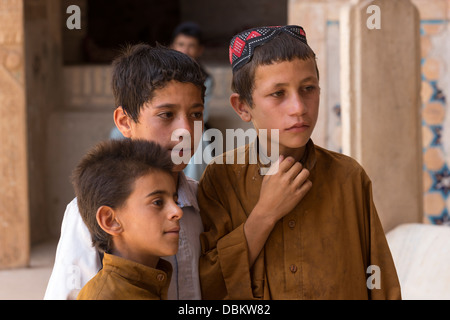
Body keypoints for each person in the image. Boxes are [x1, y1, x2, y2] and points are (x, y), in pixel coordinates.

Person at [198, 25, 401, 300]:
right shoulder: (220, 179)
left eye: (308, 89)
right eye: (278, 94)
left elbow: (381, 285)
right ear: (243, 106)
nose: (299, 107)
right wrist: (264, 215)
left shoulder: (348, 177)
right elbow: (206, 287)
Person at [45, 44, 205, 300]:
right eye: (166, 115)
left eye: (196, 114)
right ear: (124, 122)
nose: (185, 130)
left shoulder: (203, 200)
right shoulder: (88, 211)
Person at [74, 139, 182, 300]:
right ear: (110, 221)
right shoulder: (105, 296)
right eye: (158, 202)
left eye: (176, 200)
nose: (177, 211)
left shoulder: (150, 283)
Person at [171, 22, 215, 181]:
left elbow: (204, 114)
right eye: (181, 44)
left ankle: (193, 192)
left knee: (198, 141)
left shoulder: (205, 79)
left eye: (191, 46)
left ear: (199, 50)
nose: (185, 50)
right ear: (172, 46)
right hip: (165, 119)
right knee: (117, 133)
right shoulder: (159, 73)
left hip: (191, 122)